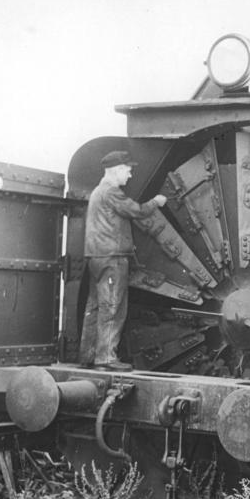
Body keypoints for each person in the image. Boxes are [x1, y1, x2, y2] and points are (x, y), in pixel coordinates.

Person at [78, 150, 167, 371]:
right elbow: (135, 211)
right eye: (127, 170)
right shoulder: (111, 192)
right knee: (113, 307)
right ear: (117, 170)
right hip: (112, 259)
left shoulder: (98, 192)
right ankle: (106, 357)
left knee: (95, 307)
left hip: (96, 257)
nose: (129, 176)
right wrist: (156, 201)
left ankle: (88, 354)